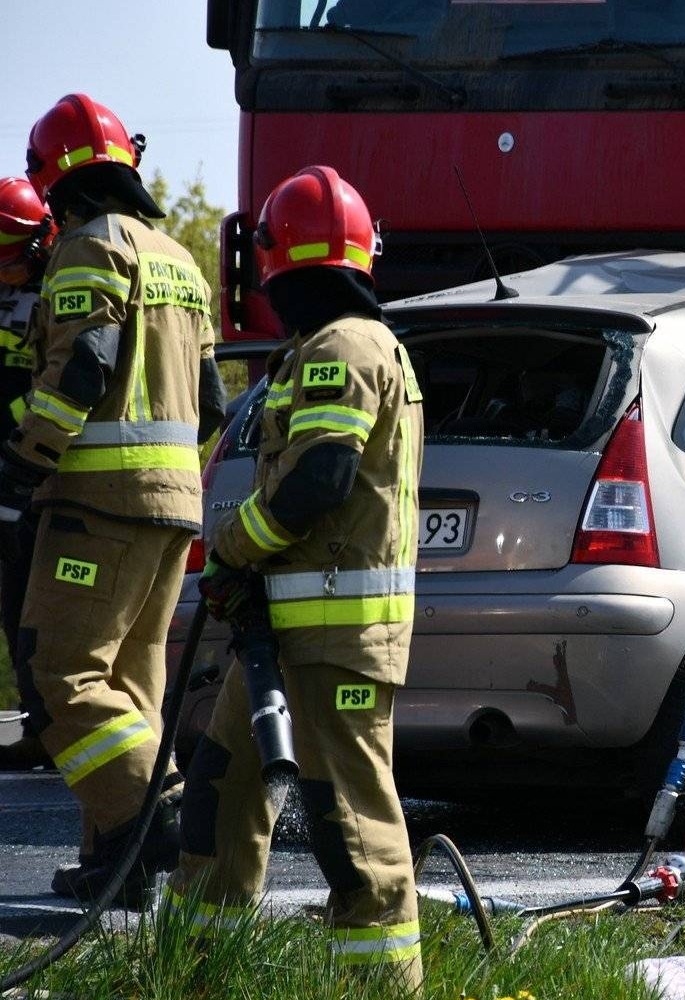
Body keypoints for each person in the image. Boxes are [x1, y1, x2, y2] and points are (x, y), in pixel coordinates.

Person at [167, 165, 425, 992]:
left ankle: (382, 988)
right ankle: (195, 972)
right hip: (286, 637)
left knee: (350, 830)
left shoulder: (343, 348)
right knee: (220, 795)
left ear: (277, 264)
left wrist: (234, 550)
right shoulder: (329, 347)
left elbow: (320, 480)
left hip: (336, 641)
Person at [0, 94, 225, 904]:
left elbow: (82, 368)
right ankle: (117, 869)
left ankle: (155, 815)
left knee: (58, 673)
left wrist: (24, 463)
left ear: (53, 181)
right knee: (128, 690)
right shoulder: (179, 259)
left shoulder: (89, 247)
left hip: (97, 504)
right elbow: (213, 399)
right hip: (173, 510)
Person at [0, 176, 54, 771]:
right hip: (8, 473)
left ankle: (52, 725)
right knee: (15, 605)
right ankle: (36, 723)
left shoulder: (66, 288)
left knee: (47, 611)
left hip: (43, 470)